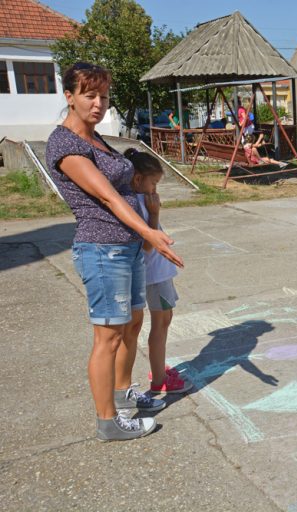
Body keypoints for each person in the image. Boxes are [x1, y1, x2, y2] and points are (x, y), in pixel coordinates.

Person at [46, 62, 183, 441]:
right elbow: (107, 197)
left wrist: (145, 231)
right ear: (69, 97)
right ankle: (108, 421)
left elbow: (127, 184)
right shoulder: (65, 144)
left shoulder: (97, 139)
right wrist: (150, 234)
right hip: (102, 248)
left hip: (126, 249)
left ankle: (123, 397)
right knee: (107, 337)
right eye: (89, 95)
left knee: (132, 325)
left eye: (104, 96)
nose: (98, 103)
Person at [124, 148, 192, 395]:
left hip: (157, 274)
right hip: (154, 275)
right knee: (161, 322)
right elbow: (148, 247)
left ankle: (159, 369)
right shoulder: (139, 204)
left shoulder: (140, 200)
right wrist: (154, 215)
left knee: (163, 321)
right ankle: (159, 379)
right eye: (153, 183)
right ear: (137, 179)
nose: (155, 189)